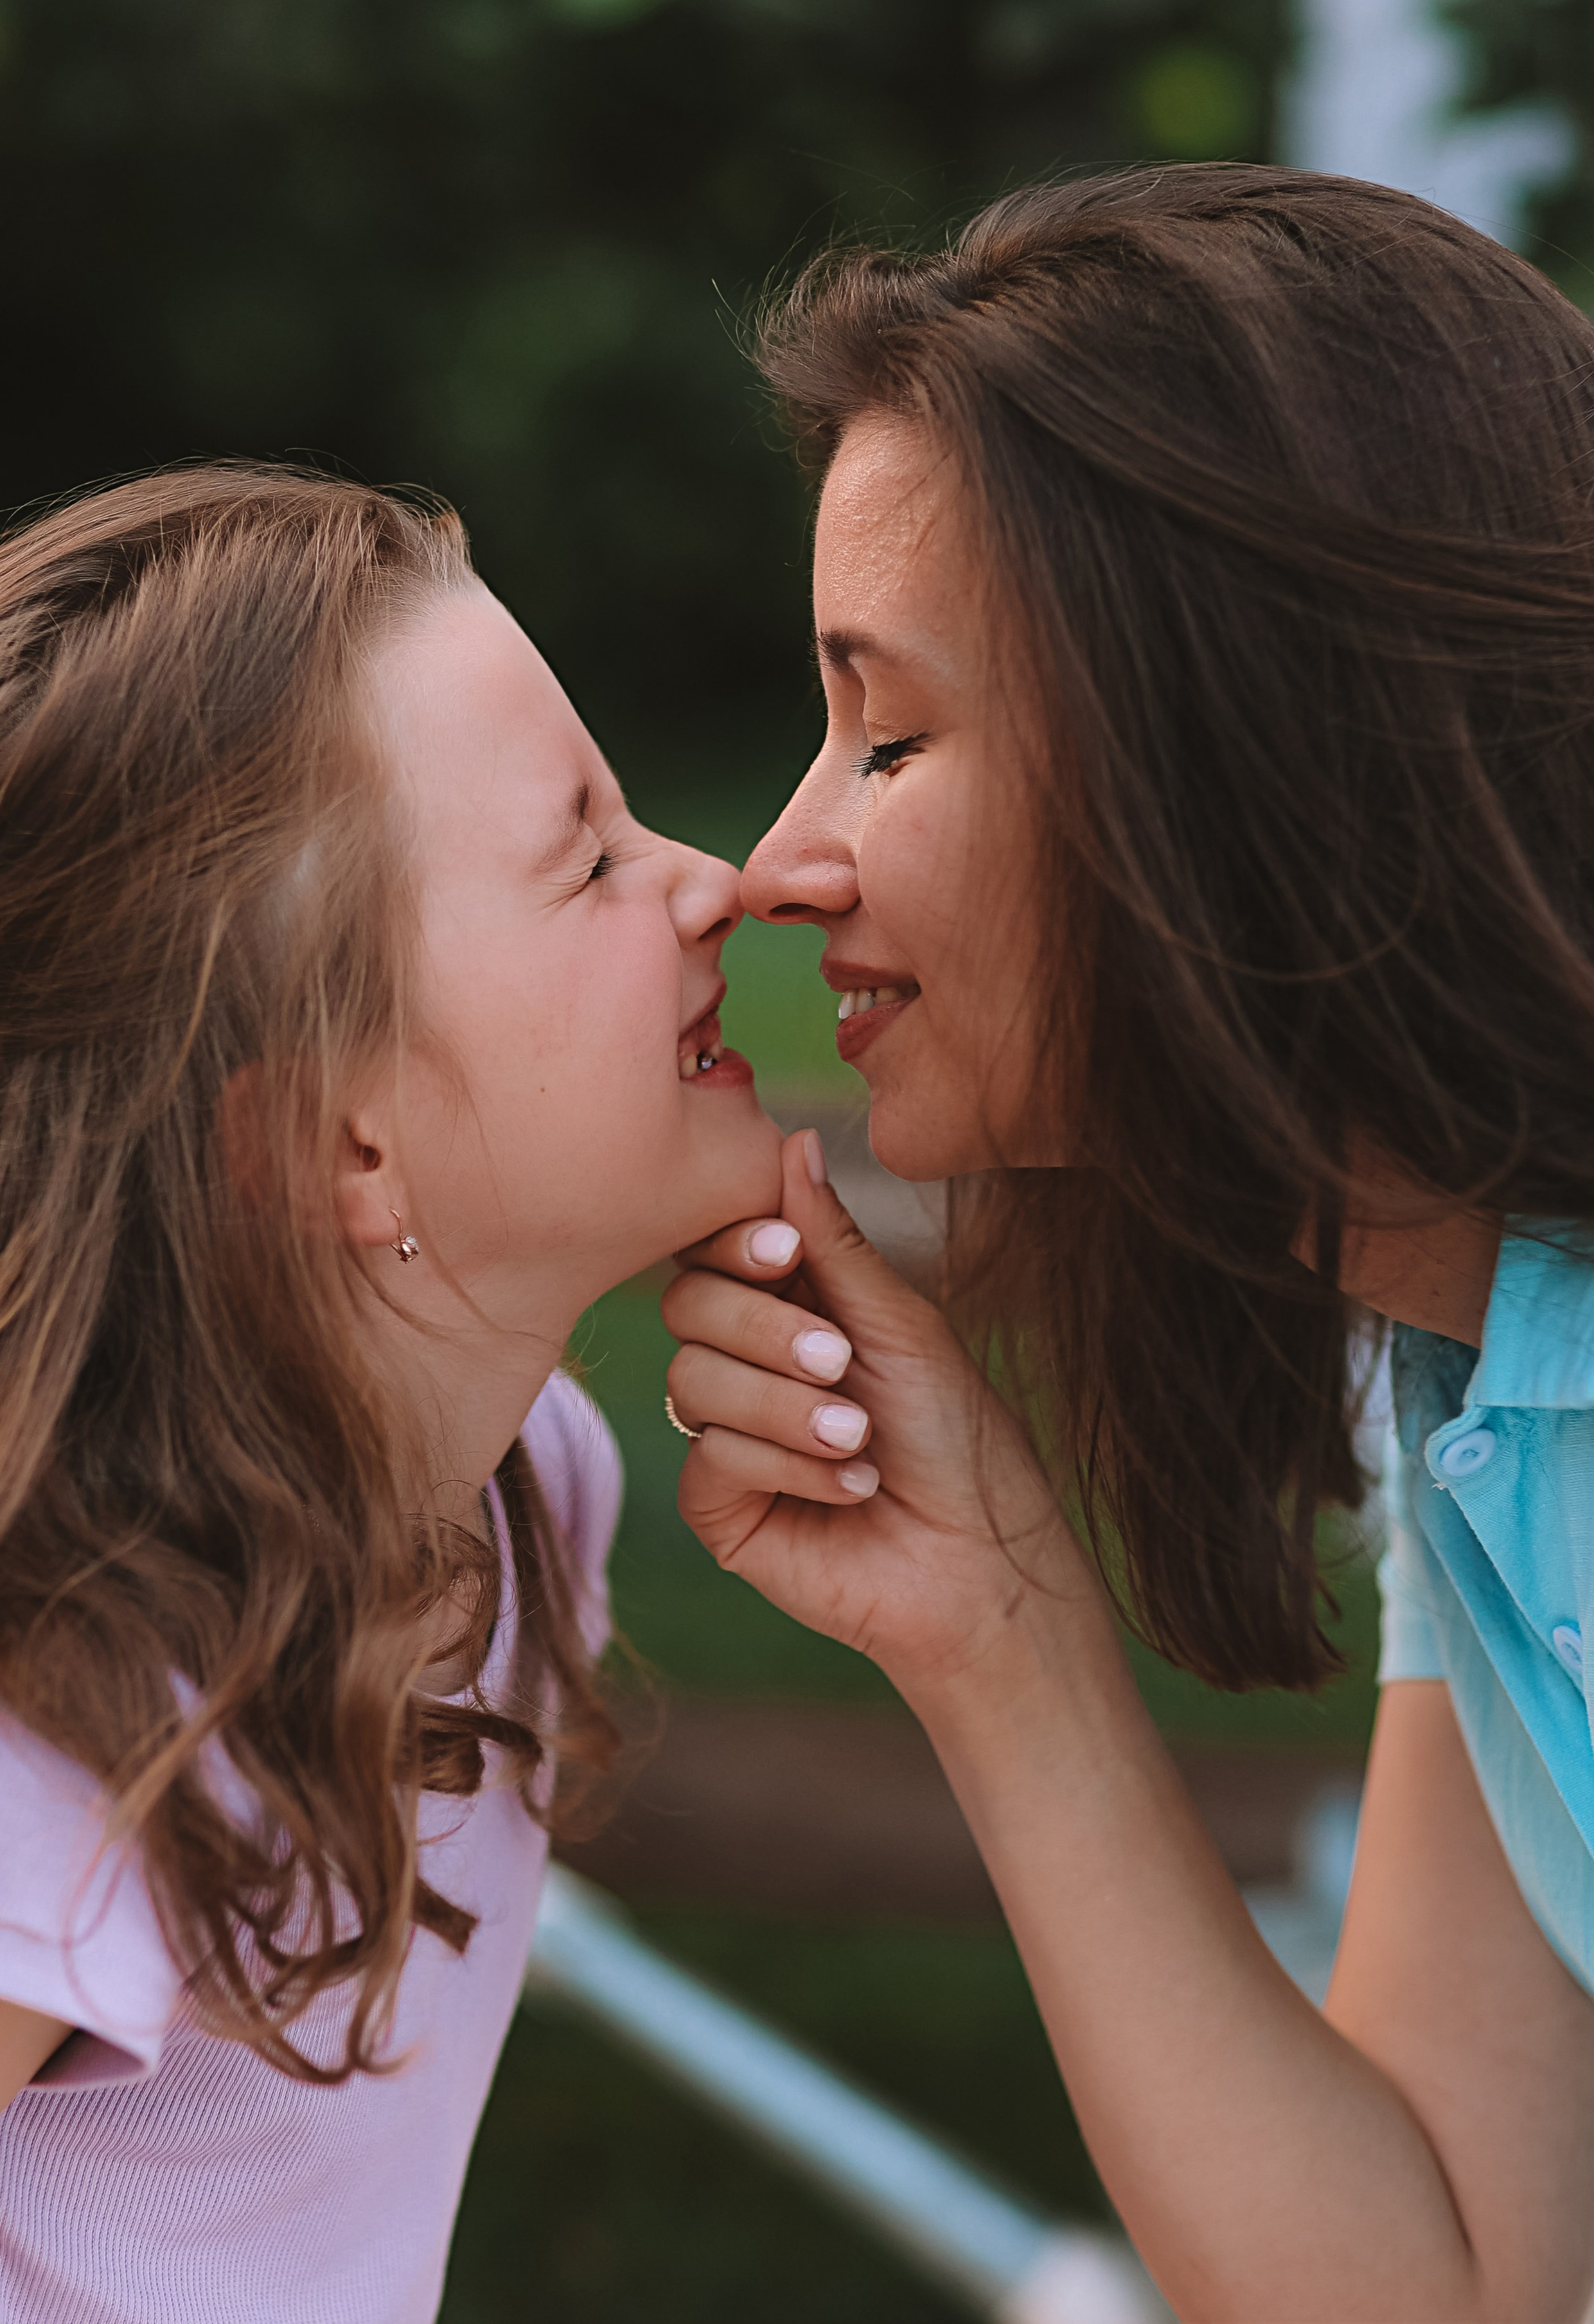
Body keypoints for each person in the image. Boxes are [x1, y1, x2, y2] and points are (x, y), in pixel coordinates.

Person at [662, 166, 1594, 2323]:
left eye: (888, 732)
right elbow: (1431, 2285)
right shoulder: (1468, 1366)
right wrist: (994, 1632)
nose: (780, 862)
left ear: (1241, 750)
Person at [0, 465, 783, 2323]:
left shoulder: (528, 1490)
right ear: (344, 1141)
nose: (711, 881)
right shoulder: (59, 1736)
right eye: (588, 858)